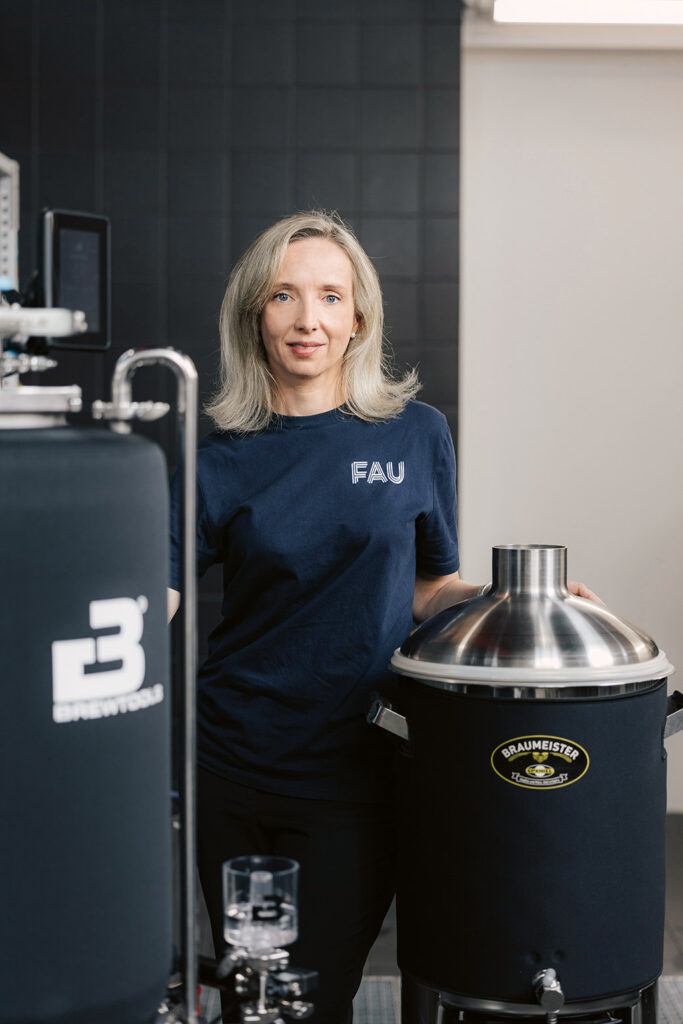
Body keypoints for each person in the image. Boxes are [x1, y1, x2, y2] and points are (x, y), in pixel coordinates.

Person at [168, 210, 598, 1023]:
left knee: (312, 998)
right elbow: (158, 591)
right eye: (284, 296)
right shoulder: (216, 451)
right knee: (249, 999)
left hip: (356, 764)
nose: (307, 320)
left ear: (358, 316)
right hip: (231, 760)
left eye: (330, 296)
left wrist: (523, 600)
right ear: (253, 314)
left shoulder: (414, 434)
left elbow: (427, 588)